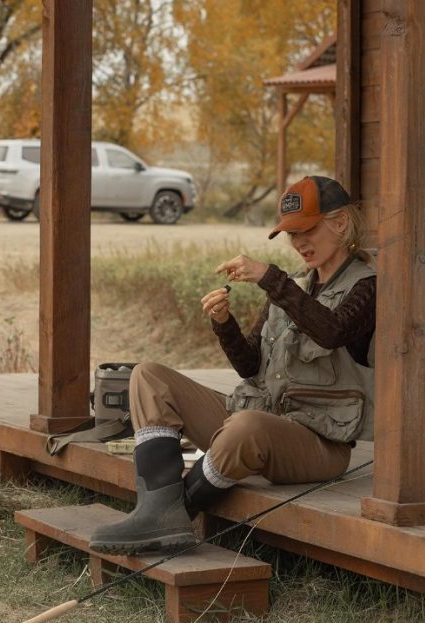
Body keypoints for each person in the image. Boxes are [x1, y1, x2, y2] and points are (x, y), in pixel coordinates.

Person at [89, 176, 376, 555]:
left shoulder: (367, 286)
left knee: (245, 426)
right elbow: (250, 365)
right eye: (291, 234)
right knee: (148, 375)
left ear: (339, 223)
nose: (299, 242)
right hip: (259, 422)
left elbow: (333, 331)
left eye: (306, 230)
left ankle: (170, 515)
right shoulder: (292, 286)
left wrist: (269, 278)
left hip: (318, 444)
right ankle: (155, 511)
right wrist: (224, 325)